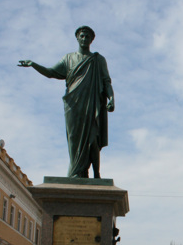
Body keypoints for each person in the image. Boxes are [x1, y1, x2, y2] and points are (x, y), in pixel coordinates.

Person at [18, 25, 115, 179]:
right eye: (82, 36)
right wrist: (34, 64)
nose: (84, 39)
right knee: (74, 141)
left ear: (92, 40)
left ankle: (97, 174)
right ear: (77, 38)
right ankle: (77, 172)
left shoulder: (98, 60)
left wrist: (111, 98)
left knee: (92, 140)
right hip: (73, 104)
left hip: (91, 103)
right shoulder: (68, 59)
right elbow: (51, 72)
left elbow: (106, 82)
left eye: (87, 36)